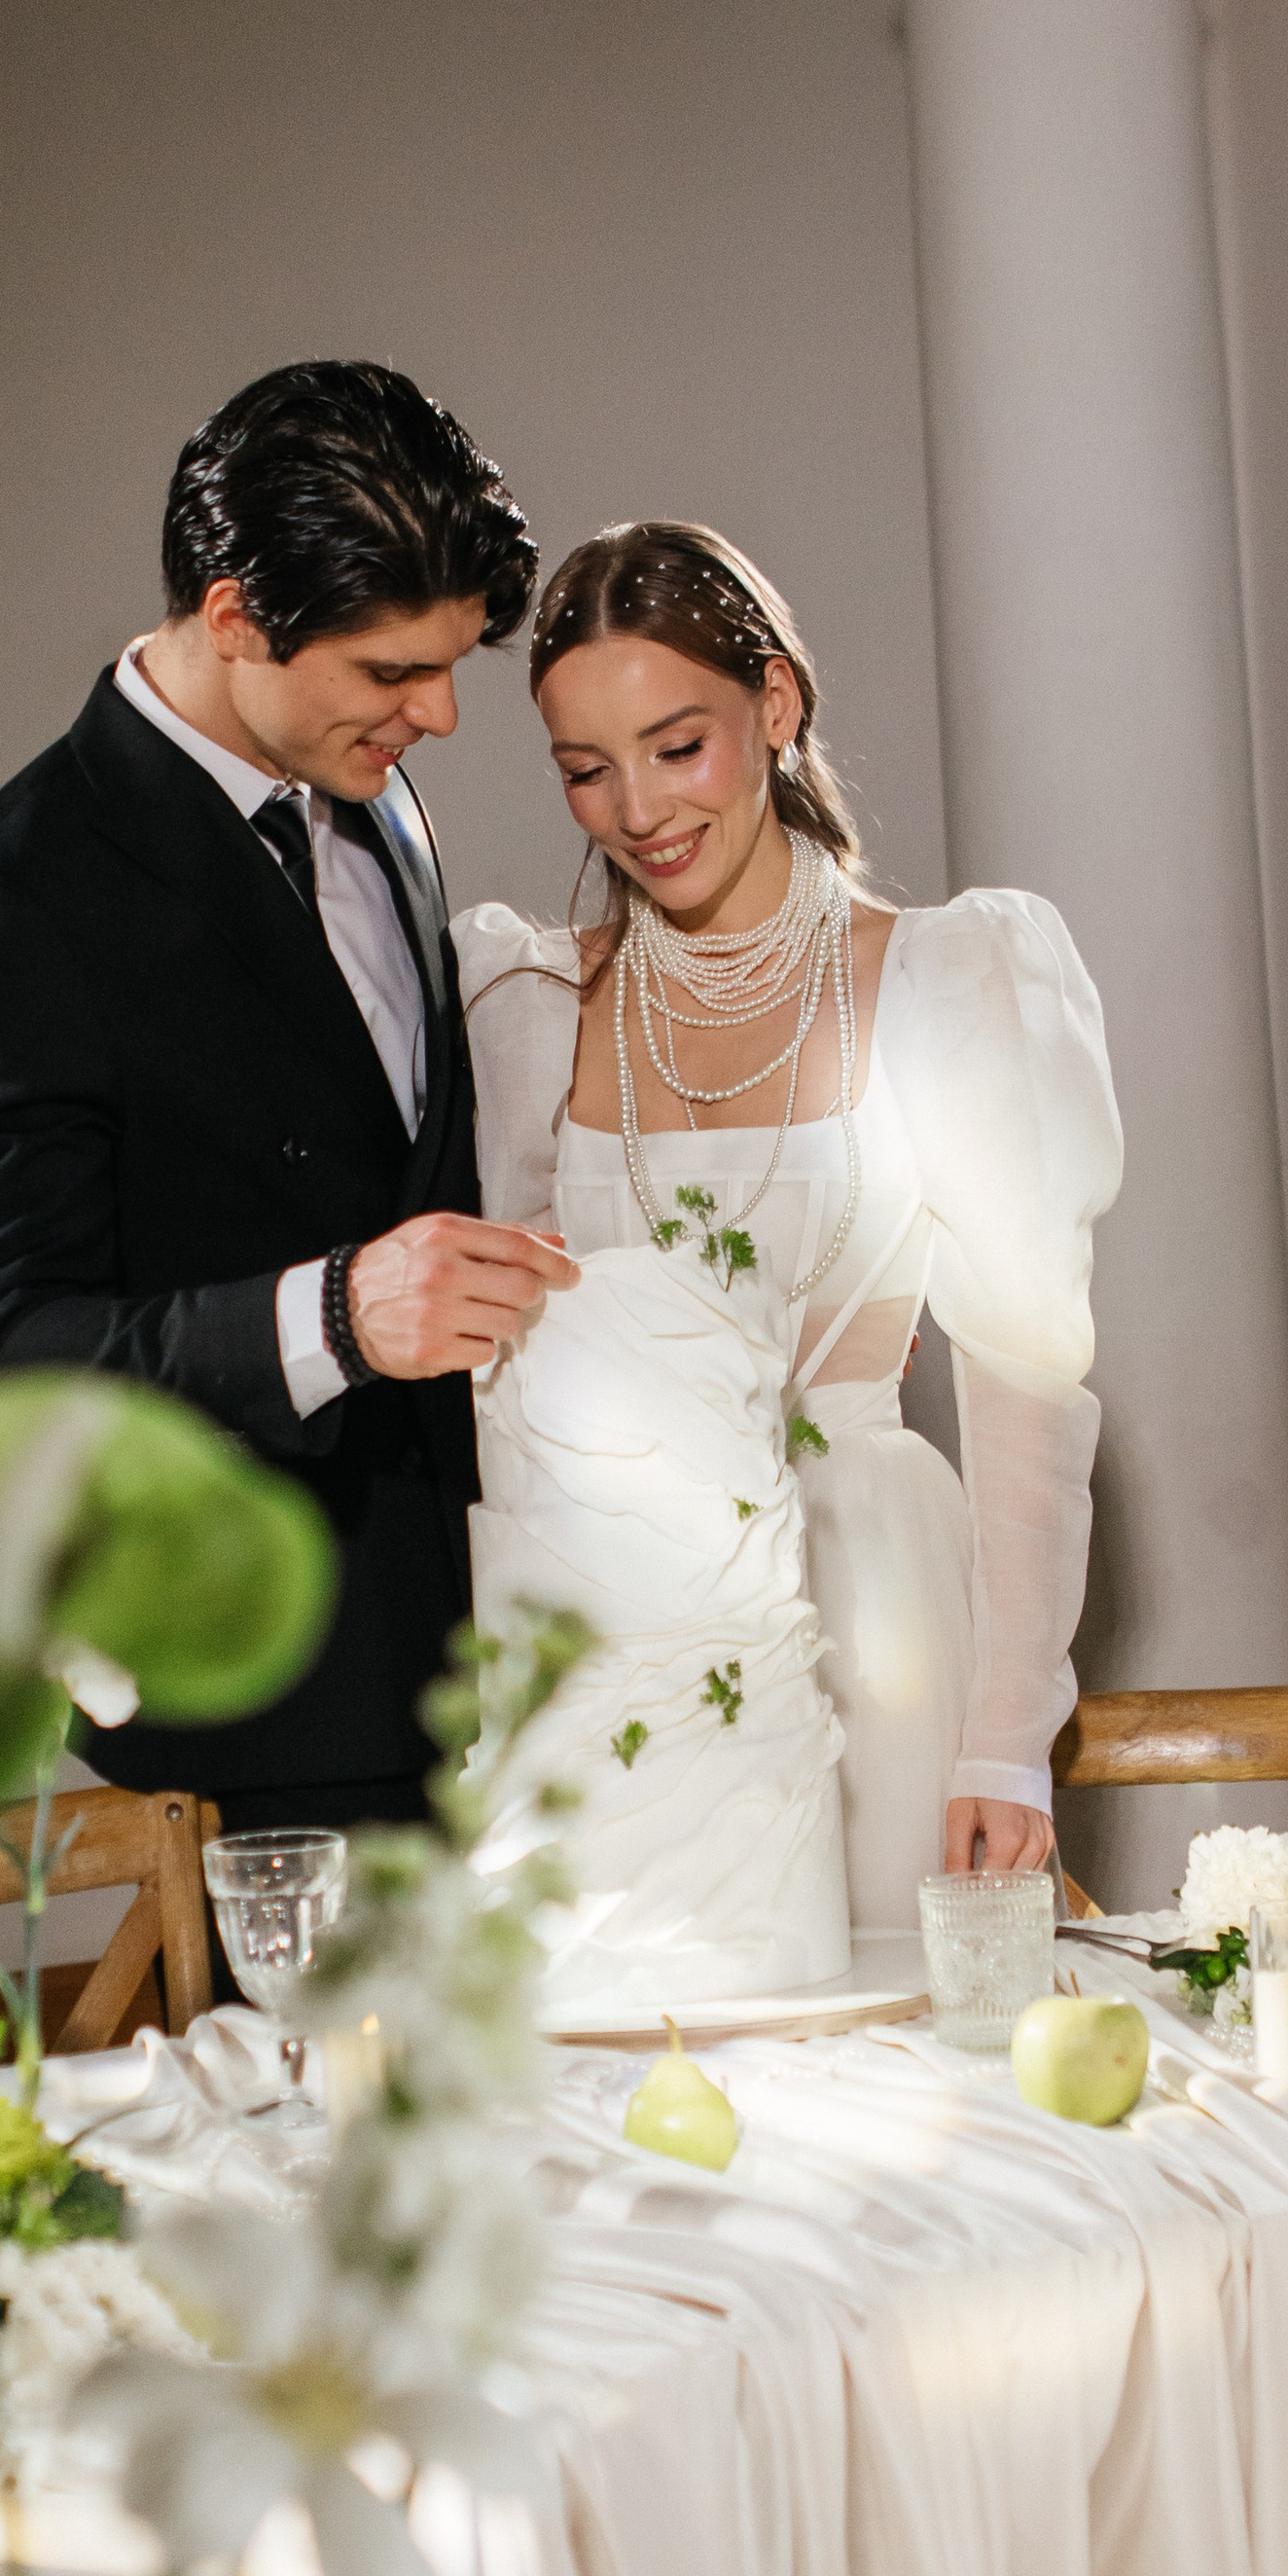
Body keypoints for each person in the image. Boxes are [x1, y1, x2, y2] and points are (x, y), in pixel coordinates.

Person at [0, 361, 577, 1836]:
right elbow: (8, 1361)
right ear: (232, 619)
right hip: (255, 1720)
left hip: (488, 1655)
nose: (441, 716)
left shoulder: (375, 790)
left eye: (451, 665)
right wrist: (335, 1318)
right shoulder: (8, 909)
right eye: (393, 672)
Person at [460, 521, 1123, 1930]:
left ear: (775, 704)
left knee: (896, 2086)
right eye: (588, 768)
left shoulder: (947, 981)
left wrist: (1009, 1735)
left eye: (677, 745)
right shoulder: (526, 1006)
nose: (637, 807)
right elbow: (492, 1388)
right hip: (620, 1635)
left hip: (872, 1609)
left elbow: (1023, 1385)